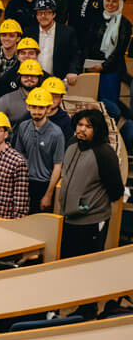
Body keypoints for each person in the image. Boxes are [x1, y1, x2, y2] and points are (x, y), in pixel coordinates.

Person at [57, 109, 124, 259]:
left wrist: (86, 205)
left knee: (87, 266)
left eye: (88, 126)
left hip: (91, 223)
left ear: (97, 129)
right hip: (67, 219)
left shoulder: (105, 153)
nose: (82, 129)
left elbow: (116, 190)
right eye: (80, 124)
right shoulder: (72, 143)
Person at [12, 87, 66, 214]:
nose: (37, 111)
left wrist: (48, 195)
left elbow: (58, 166)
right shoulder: (23, 126)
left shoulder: (57, 133)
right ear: (28, 107)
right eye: (34, 107)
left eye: (41, 108)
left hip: (44, 184)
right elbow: (18, 155)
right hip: (24, 182)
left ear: (48, 109)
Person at [84, 0, 130, 104]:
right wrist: (87, 63)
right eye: (108, 0)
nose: (110, 4)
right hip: (92, 68)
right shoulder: (95, 18)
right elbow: (87, 42)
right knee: (90, 102)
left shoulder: (125, 24)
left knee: (109, 104)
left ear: (120, 3)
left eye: (114, 1)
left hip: (111, 70)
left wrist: (103, 66)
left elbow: (120, 50)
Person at [26, 0, 80, 86]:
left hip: (59, 81)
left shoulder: (67, 32)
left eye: (47, 13)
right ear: (36, 16)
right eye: (40, 13)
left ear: (54, 14)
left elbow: (75, 54)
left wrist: (72, 71)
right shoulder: (29, 32)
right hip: (33, 80)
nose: (43, 16)